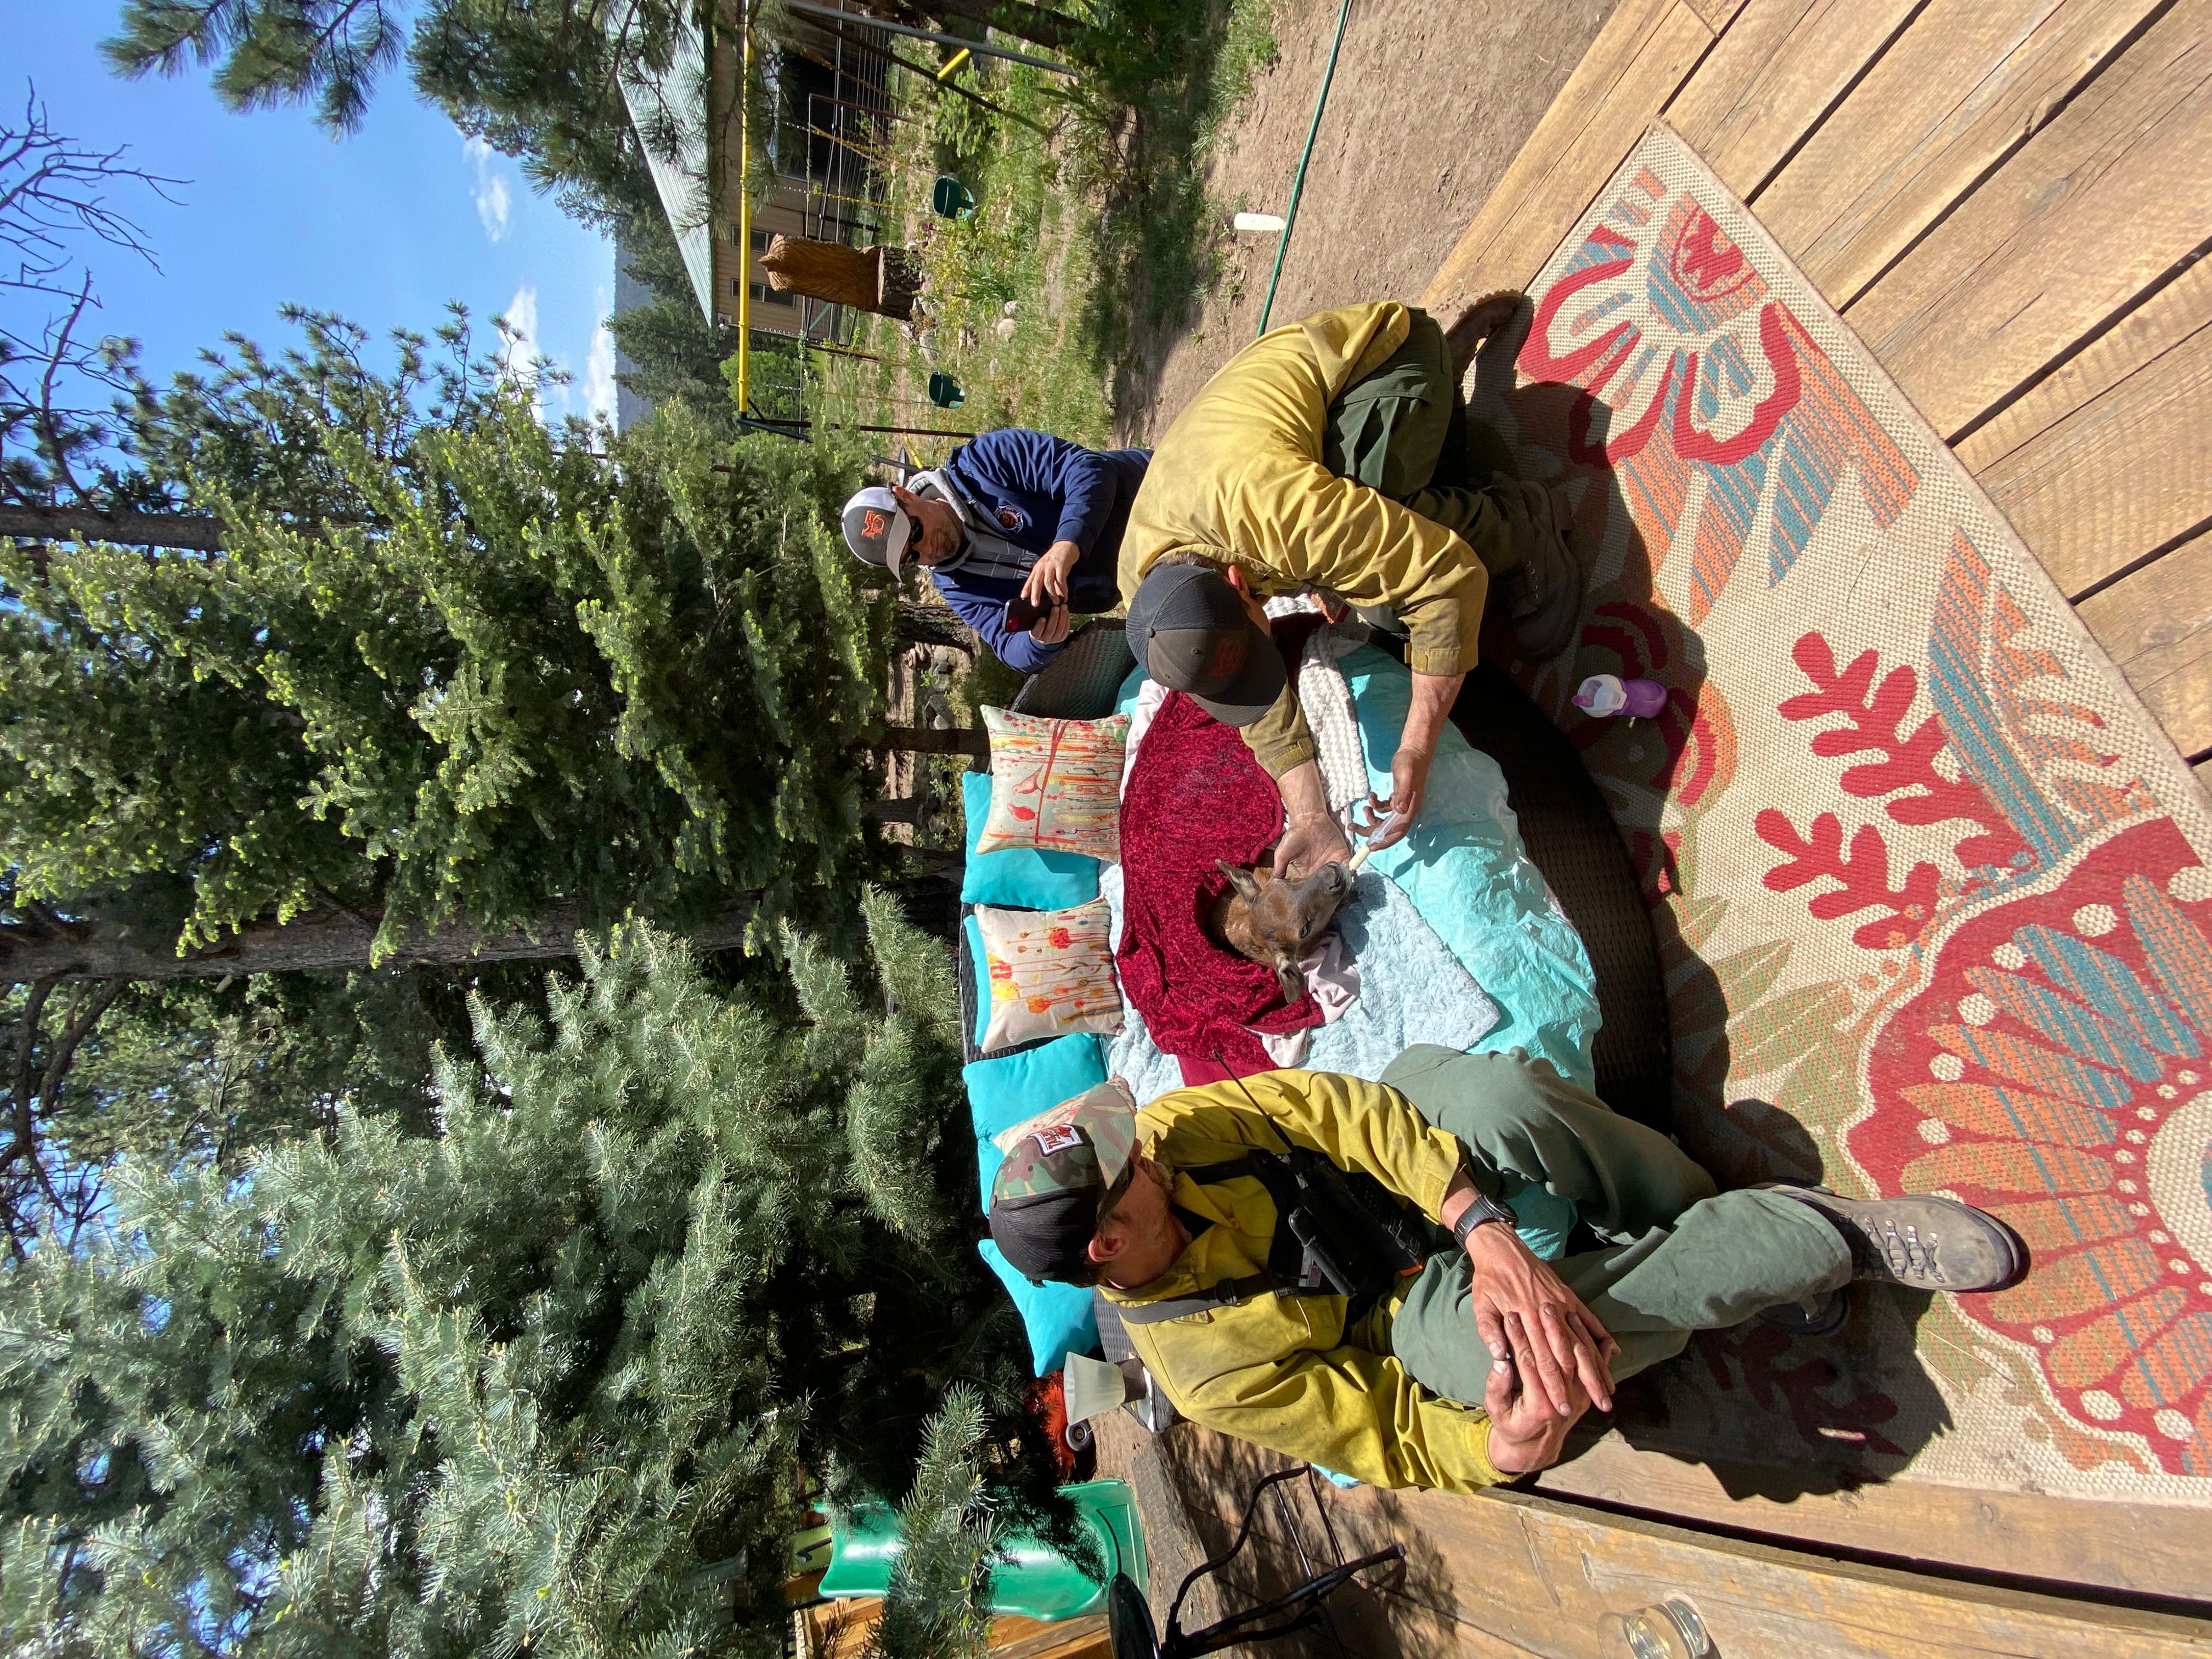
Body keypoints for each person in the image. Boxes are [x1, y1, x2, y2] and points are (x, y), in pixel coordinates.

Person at [986, 1048, 2025, 1492]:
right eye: (1131, 1170)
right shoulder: (1204, 1372)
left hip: (1404, 1155)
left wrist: (1479, 1223)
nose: (1150, 1144)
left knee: (1502, 1101)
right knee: (1518, 1356)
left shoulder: (1173, 1128)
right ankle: (1817, 1237)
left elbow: (1340, 1110)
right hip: (1399, 1301)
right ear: (1109, 1244)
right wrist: (1506, 1446)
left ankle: (1688, 1204)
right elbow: (1388, 1434)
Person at [1117, 299, 1579, 877]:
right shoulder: (1148, 592)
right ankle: (1440, 443)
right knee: (1362, 571)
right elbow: (1239, 680)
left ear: (1238, 584)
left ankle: (1525, 524)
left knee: (1390, 607)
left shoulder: (1279, 516)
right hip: (1283, 432)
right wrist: (1310, 815)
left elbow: (1446, 578)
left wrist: (1416, 743)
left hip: (1383, 357)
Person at [841, 429, 1149, 674]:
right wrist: (1038, 642)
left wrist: (1066, 545)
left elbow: (1090, 469)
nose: (926, 549)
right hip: (1138, 580)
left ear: (906, 494)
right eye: (911, 556)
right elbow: (1005, 645)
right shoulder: (956, 587)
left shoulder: (982, 464)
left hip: (1150, 502)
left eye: (916, 532)